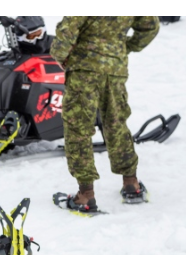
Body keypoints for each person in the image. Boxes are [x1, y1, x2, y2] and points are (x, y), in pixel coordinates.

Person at [51, 17, 160, 212]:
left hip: (84, 69)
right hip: (115, 68)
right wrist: (122, 47)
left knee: (79, 128)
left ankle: (85, 195)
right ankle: (131, 184)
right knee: (116, 123)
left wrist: (61, 56)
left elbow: (68, 29)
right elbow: (150, 25)